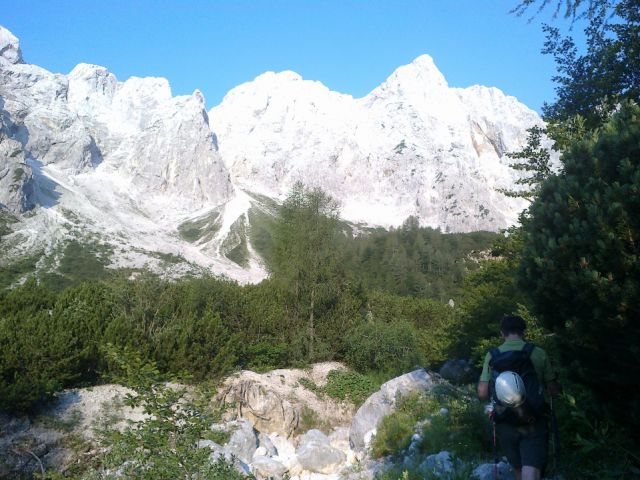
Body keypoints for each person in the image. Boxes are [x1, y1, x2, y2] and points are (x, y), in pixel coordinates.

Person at [477, 314, 561, 480]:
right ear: (524, 331)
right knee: (532, 469)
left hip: (505, 421)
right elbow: (553, 390)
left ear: (502, 333)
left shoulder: (492, 355)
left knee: (519, 470)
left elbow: (482, 392)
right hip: (533, 420)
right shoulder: (538, 353)